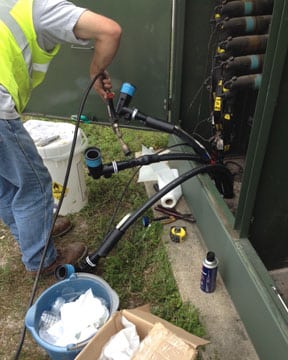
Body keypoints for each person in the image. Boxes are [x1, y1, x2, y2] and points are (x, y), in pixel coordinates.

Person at [0, 0, 122, 275]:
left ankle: (34, 233)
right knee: (34, 186)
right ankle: (41, 260)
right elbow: (109, 31)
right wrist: (95, 71)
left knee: (6, 181)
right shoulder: (38, 7)